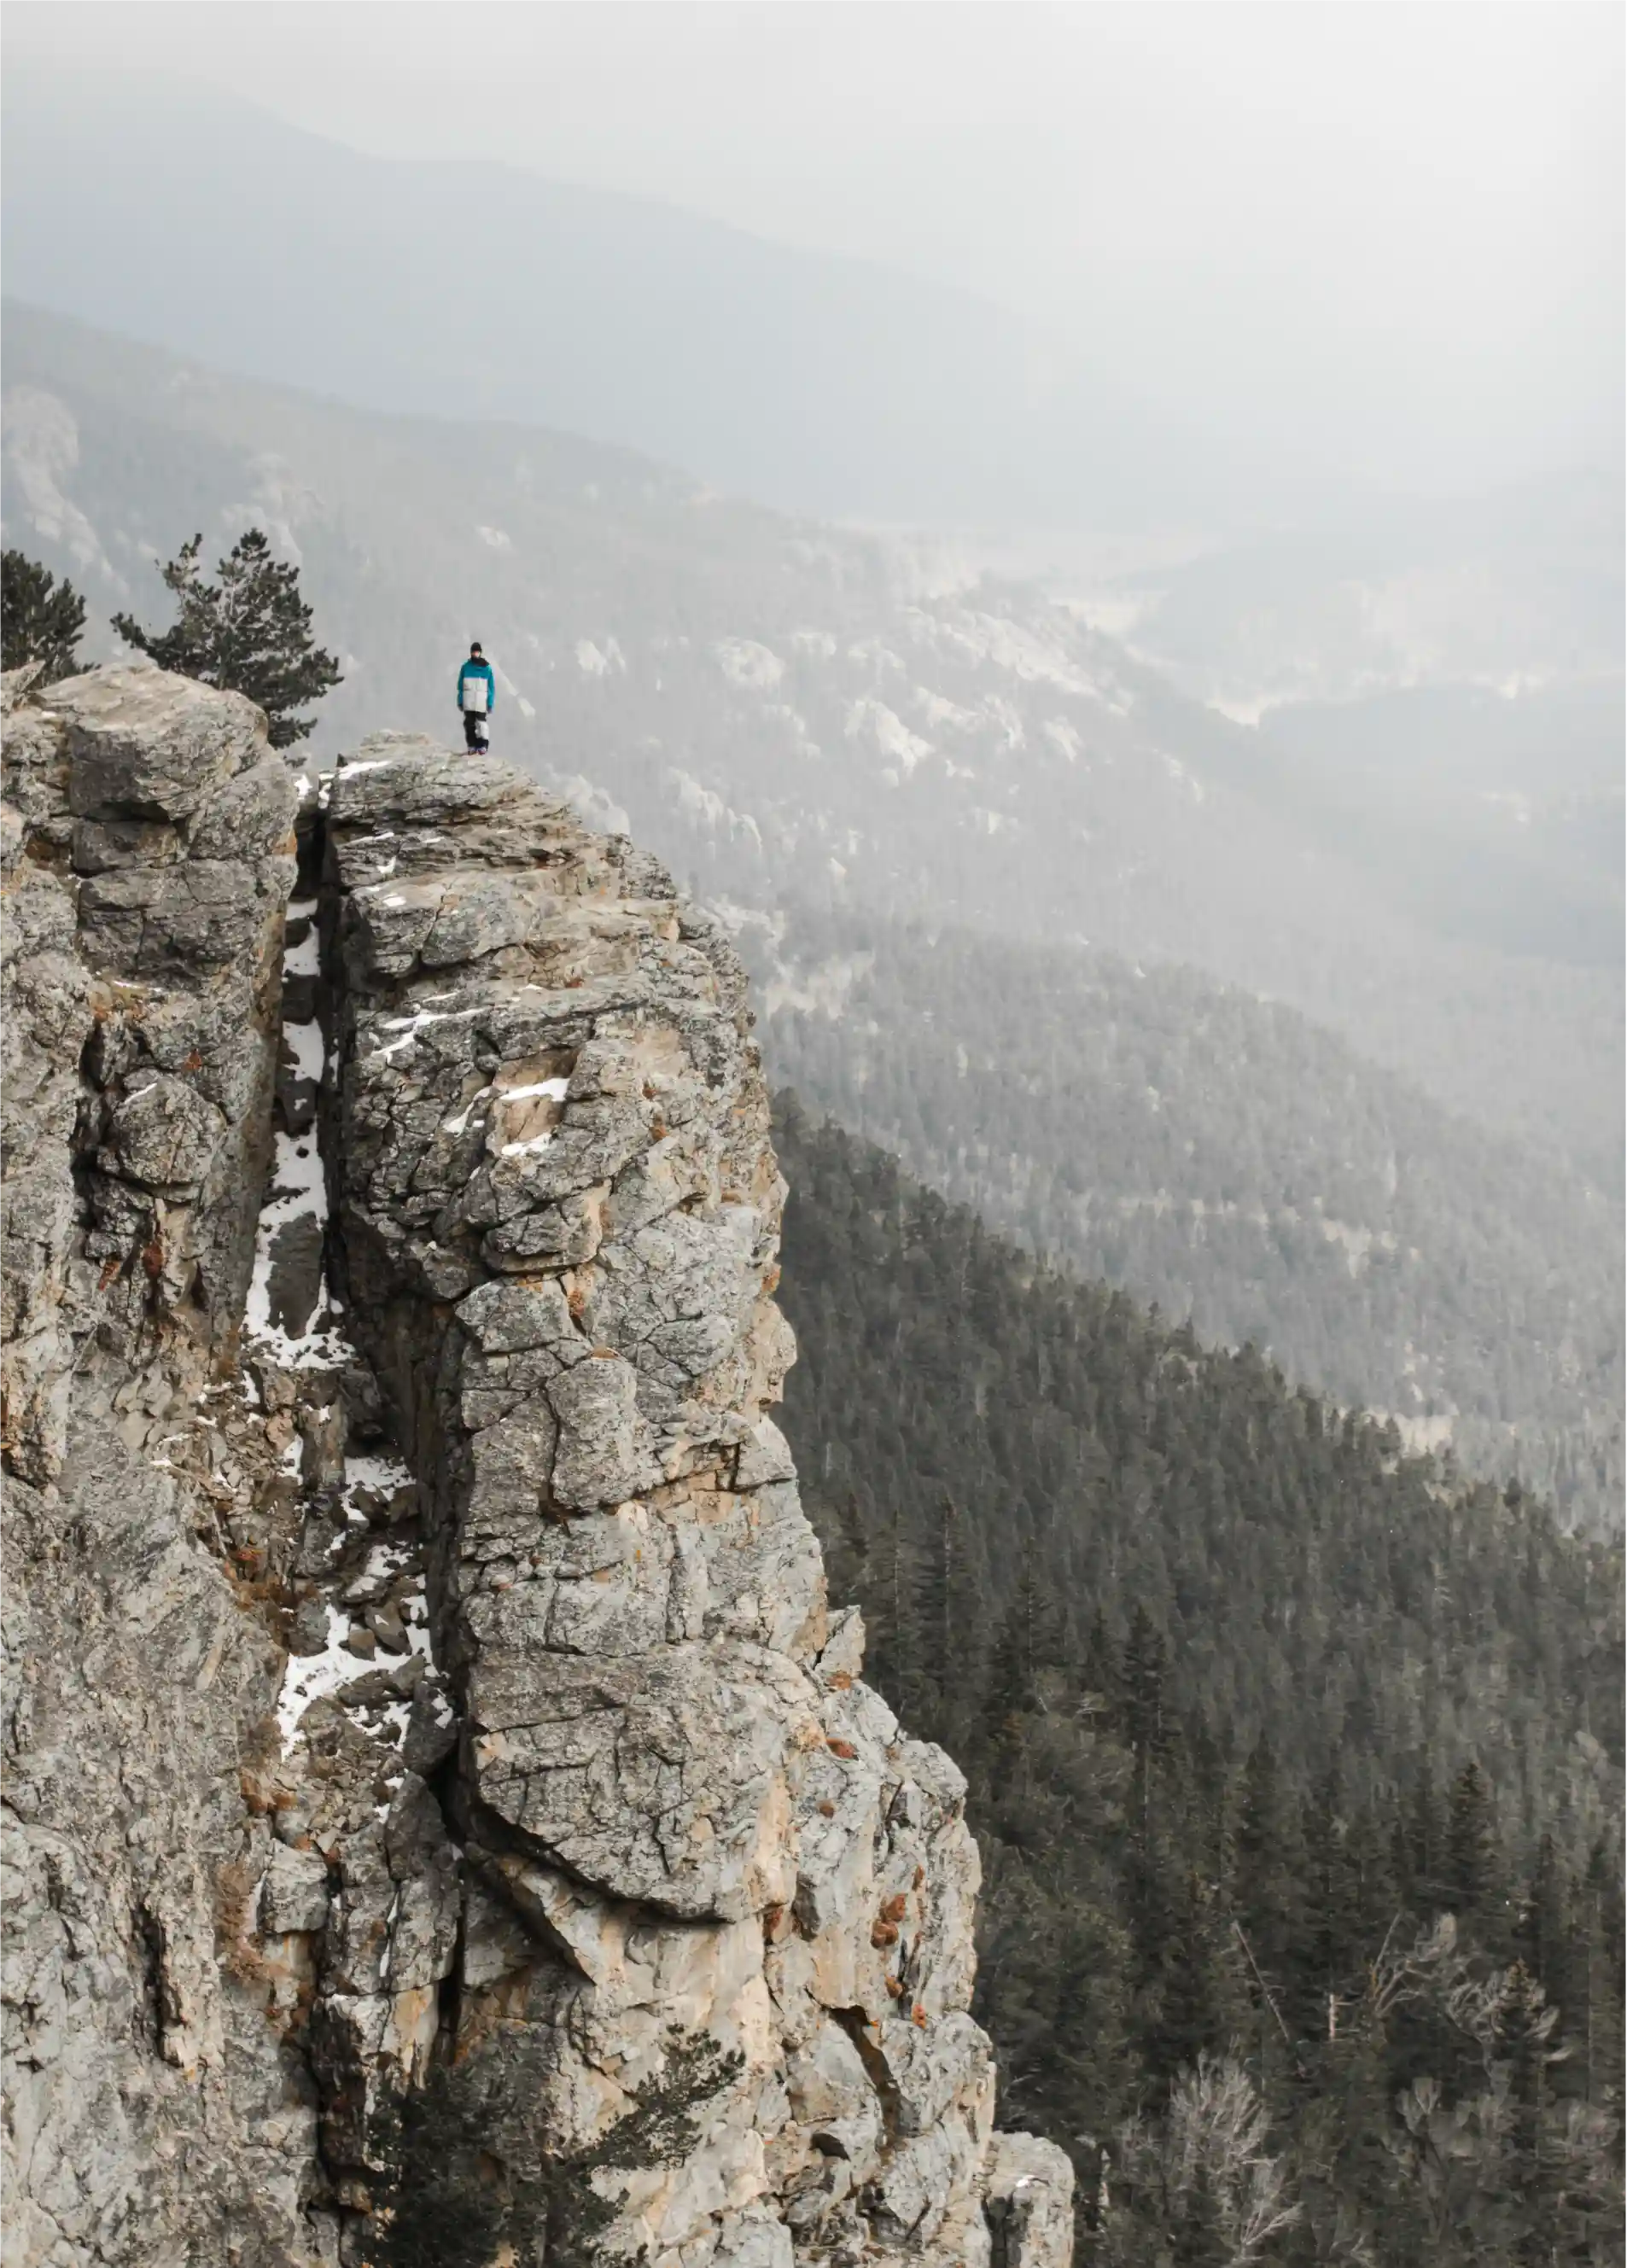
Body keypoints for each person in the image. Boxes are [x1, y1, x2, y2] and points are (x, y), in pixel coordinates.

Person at [456, 641, 496, 751]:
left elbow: (491, 688)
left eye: (477, 652)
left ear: (480, 653)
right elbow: (460, 686)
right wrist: (460, 700)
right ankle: (472, 745)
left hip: (481, 702)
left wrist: (490, 703)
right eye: (473, 652)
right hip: (468, 701)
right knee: (469, 725)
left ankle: (483, 745)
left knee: (481, 724)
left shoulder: (487, 669)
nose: (475, 654)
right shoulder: (465, 667)